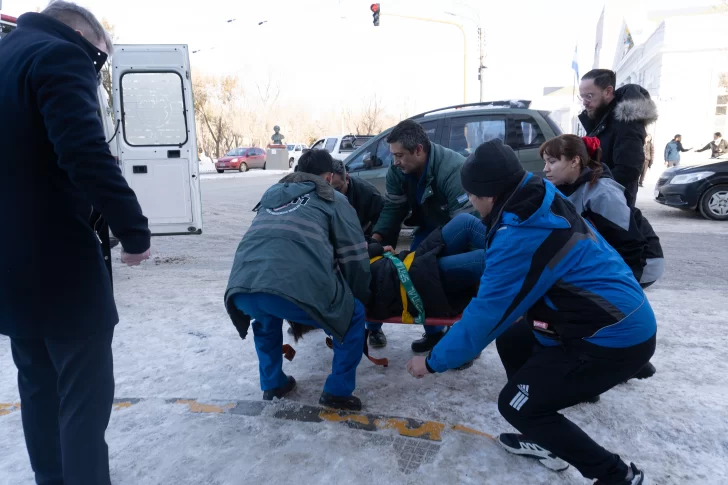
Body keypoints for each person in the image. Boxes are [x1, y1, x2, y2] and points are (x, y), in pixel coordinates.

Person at [407, 139, 655, 485]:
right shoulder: (535, 194)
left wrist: (433, 360)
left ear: (489, 195)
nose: (470, 204)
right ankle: (546, 434)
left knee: (516, 405)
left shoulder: (520, 233)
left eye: (471, 196)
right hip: (606, 318)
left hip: (611, 338)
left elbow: (486, 316)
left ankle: (617, 476)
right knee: (513, 338)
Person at [0, 3, 152, 484]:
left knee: (38, 389)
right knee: (83, 399)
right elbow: (84, 154)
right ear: (85, 34)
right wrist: (134, 230)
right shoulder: (61, 56)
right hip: (61, 262)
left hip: (9, 264)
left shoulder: (6, 56)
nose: (96, 67)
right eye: (100, 58)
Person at [225, 149, 372, 411]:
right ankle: (337, 391)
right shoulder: (334, 199)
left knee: (266, 315)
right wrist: (355, 297)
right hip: (289, 289)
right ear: (329, 177)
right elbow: (354, 256)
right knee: (354, 316)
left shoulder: (271, 195)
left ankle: (273, 383)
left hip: (243, 286)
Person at [541, 133, 663, 380]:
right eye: (545, 161)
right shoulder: (567, 187)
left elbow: (631, 242)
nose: (546, 169)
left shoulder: (602, 192)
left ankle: (615, 363)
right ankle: (631, 361)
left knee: (590, 308)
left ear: (575, 161)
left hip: (641, 261)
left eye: (552, 161)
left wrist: (624, 289)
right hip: (613, 259)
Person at [370, 119, 478, 354]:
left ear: (419, 149)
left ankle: (463, 342)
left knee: (451, 277)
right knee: (418, 279)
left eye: (399, 155)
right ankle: (434, 334)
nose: (395, 162)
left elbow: (464, 225)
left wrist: (436, 259)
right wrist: (376, 241)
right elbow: (393, 209)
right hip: (428, 229)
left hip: (455, 229)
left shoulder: (453, 170)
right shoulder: (397, 170)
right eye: (393, 155)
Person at [328, 160, 390, 348]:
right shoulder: (323, 192)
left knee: (371, 281)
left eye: (338, 188)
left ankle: (374, 328)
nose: (334, 194)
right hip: (335, 245)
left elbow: (385, 222)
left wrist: (377, 245)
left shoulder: (368, 193)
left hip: (364, 241)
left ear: (347, 178)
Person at [578, 69, 658, 207]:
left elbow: (627, 171)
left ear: (608, 91)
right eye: (582, 97)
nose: (584, 102)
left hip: (612, 205)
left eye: (589, 96)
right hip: (603, 199)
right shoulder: (603, 117)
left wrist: (591, 184)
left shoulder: (626, 122)